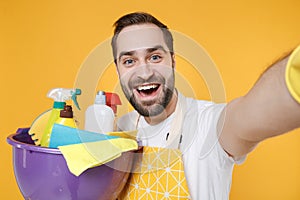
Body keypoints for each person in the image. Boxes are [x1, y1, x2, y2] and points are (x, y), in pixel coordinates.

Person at [110, 12, 300, 199]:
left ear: (173, 61)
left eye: (155, 57)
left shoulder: (208, 122)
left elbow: (253, 113)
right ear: (118, 70)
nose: (144, 73)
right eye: (129, 61)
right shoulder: (120, 130)